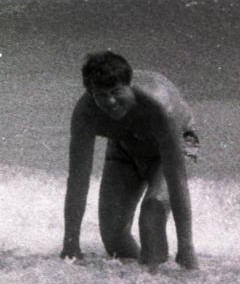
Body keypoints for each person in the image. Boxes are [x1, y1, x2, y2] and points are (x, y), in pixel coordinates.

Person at [61, 51, 199, 269]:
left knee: (152, 212)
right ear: (90, 92)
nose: (111, 102)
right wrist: (71, 242)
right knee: (114, 238)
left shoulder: (160, 109)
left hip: (175, 145)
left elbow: (177, 182)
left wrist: (186, 247)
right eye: (101, 95)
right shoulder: (85, 114)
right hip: (125, 145)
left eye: (116, 92)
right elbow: (78, 180)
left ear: (129, 84)